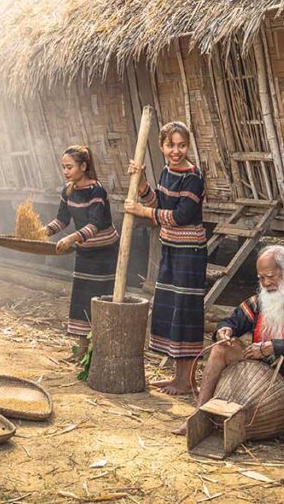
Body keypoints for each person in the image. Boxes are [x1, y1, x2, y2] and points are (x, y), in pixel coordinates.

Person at [190, 245, 284, 466]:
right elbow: (231, 321)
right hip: (256, 382)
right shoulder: (257, 302)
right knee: (221, 348)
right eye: (261, 278)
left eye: (270, 277)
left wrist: (274, 346)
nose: (265, 283)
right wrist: (224, 331)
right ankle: (198, 418)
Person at [124, 121, 206, 395]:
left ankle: (187, 380)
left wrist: (141, 212)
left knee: (186, 312)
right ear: (161, 146)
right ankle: (177, 378)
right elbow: (158, 203)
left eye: (182, 145)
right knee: (171, 309)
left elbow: (180, 217)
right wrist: (143, 182)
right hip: (171, 248)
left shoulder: (193, 177)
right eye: (171, 145)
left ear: (188, 146)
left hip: (190, 253)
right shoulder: (167, 172)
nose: (176, 151)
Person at [44, 146, 120, 360]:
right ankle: (80, 352)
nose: (66, 171)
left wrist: (70, 238)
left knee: (100, 299)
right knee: (81, 298)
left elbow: (95, 224)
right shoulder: (68, 191)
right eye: (63, 167)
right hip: (85, 251)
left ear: (84, 166)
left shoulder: (97, 191)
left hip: (105, 252)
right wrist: (43, 231)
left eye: (69, 167)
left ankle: (101, 352)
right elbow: (62, 220)